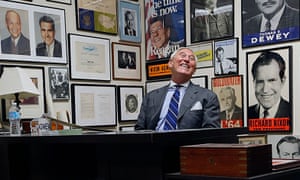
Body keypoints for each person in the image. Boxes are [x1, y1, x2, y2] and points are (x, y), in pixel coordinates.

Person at [135, 47, 220, 130]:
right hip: (155, 143)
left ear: (194, 70)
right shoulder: (151, 97)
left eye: (191, 58)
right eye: (183, 55)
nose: (186, 59)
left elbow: (211, 132)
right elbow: (140, 130)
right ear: (170, 63)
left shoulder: (208, 96)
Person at [248, 51, 290, 119]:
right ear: (254, 83)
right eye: (260, 82)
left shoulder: (293, 111)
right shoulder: (247, 113)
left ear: (282, 81)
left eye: (271, 80)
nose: (265, 90)